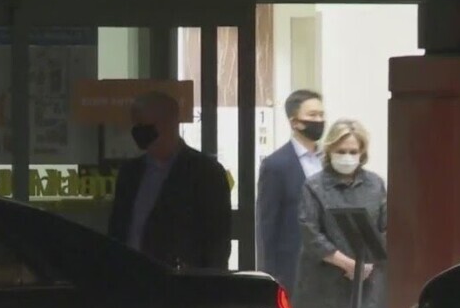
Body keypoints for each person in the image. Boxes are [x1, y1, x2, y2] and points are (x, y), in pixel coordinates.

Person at [292, 118, 387, 308]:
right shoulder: (314, 186)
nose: (347, 157)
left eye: (353, 151)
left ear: (362, 152)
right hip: (323, 288)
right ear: (331, 150)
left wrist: (368, 264)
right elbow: (310, 233)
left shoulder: (375, 185)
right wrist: (346, 263)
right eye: (342, 151)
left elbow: (386, 228)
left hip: (366, 286)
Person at [108, 91, 232, 270]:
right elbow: (117, 231)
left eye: (146, 125)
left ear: (170, 123)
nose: (139, 133)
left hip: (177, 281)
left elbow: (217, 241)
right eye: (136, 125)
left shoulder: (205, 172)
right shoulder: (130, 173)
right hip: (129, 277)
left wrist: (206, 281)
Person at [256, 89, 325, 290]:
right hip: (293, 268)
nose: (319, 120)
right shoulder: (276, 165)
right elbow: (267, 225)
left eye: (321, 115)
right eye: (312, 115)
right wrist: (268, 274)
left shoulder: (328, 160)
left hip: (330, 269)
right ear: (295, 122)